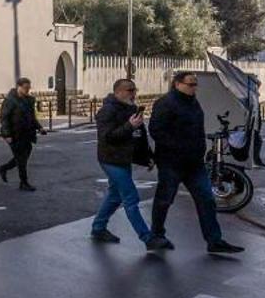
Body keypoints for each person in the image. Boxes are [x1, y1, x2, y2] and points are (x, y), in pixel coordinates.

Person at [147, 69, 244, 255]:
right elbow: (156, 130)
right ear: (177, 84)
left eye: (195, 84)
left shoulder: (193, 102)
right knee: (165, 200)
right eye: (190, 84)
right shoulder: (165, 103)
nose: (194, 88)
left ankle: (214, 241)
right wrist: (178, 147)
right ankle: (156, 235)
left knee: (207, 199)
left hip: (194, 163)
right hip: (172, 162)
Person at [90, 77, 153, 249]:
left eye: (135, 90)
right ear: (118, 92)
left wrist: (147, 156)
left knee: (115, 195)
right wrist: (129, 126)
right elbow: (107, 137)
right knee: (130, 197)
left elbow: (140, 136)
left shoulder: (131, 108)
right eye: (130, 90)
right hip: (110, 159)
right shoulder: (107, 111)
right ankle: (147, 237)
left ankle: (98, 227)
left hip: (124, 158)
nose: (134, 93)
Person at [0, 77, 44, 190]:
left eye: (29, 88)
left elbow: (32, 117)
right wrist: (7, 134)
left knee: (23, 158)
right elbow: (4, 118)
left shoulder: (29, 100)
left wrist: (39, 127)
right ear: (19, 87)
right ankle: (24, 183)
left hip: (27, 134)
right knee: (21, 159)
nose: (27, 90)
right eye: (25, 88)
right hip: (14, 134)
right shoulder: (10, 101)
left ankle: (3, 168)